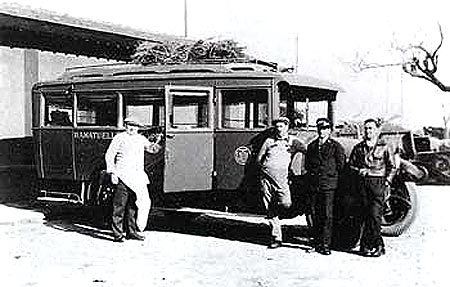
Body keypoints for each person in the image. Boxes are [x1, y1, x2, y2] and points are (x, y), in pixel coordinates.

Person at [105, 117, 162, 242]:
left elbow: (151, 149)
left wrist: (158, 142)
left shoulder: (141, 139)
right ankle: (117, 234)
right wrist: (112, 173)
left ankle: (131, 231)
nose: (132, 128)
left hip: (137, 177)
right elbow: (109, 155)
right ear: (126, 126)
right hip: (122, 176)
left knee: (133, 206)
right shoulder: (119, 138)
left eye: (135, 126)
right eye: (130, 125)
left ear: (138, 128)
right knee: (119, 206)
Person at [348, 118, 396, 257]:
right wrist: (359, 170)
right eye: (366, 128)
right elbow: (351, 165)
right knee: (363, 215)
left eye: (371, 128)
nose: (368, 131)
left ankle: (378, 246)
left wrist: (387, 181)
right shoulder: (359, 148)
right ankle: (365, 246)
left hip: (378, 183)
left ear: (376, 130)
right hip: (362, 184)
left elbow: (393, 166)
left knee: (375, 216)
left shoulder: (384, 147)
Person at [257, 117, 305, 249]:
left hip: (282, 179)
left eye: (282, 126)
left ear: (287, 127)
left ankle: (277, 214)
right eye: (277, 127)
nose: (279, 129)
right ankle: (276, 237)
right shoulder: (269, 141)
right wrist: (265, 170)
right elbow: (259, 158)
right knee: (269, 207)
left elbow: (306, 150)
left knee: (286, 203)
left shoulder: (292, 141)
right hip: (266, 178)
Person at [305, 118, 346, 255]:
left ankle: (326, 244)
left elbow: (340, 166)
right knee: (315, 214)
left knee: (328, 215)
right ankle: (316, 243)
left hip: (328, 185)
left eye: (325, 128)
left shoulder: (336, 147)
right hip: (314, 185)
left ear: (330, 130)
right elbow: (308, 165)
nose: (322, 131)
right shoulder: (311, 146)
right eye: (320, 128)